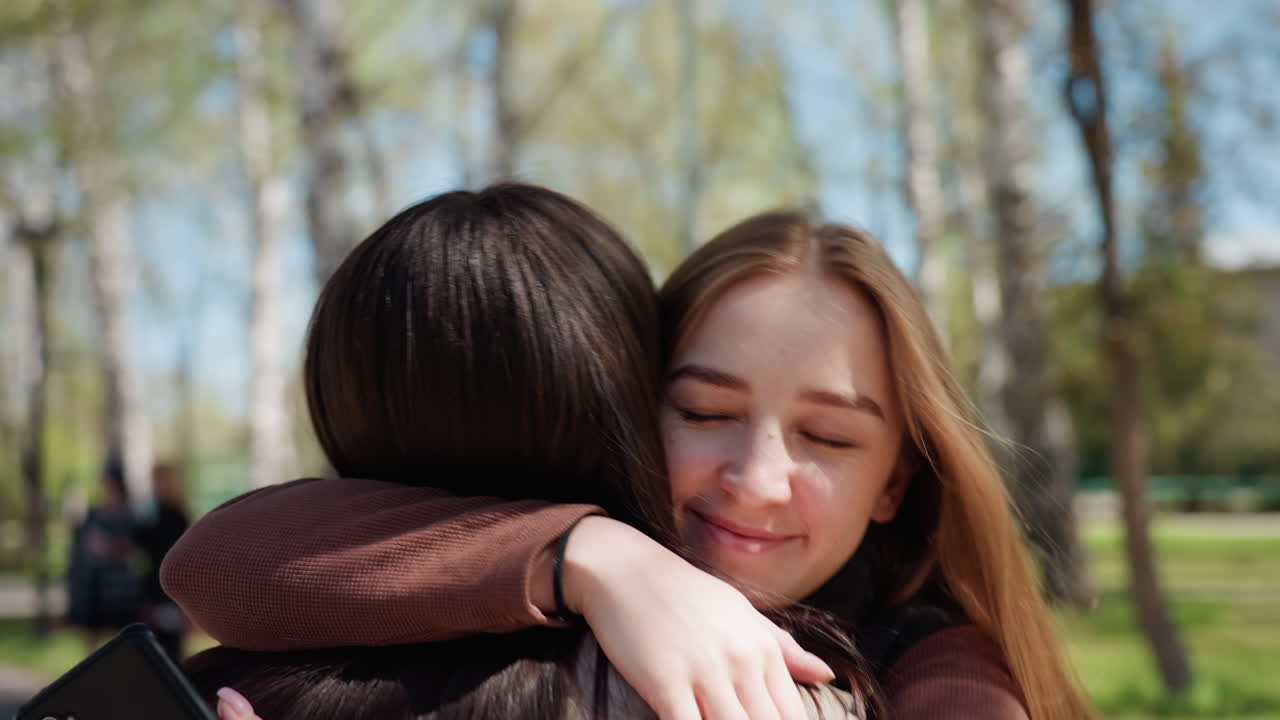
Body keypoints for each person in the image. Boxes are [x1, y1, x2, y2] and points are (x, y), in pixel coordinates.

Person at [165, 209, 1096, 719]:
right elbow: (215, 563)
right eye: (703, 411)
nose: (756, 476)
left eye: (831, 437)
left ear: (897, 480)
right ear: (627, 401)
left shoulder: (932, 666)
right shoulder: (548, 588)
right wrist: (598, 556)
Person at [67, 458, 140, 653]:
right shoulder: (94, 513)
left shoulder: (129, 513)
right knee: (91, 633)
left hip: (118, 586)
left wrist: (110, 547)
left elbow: (134, 545)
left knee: (121, 635)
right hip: (95, 583)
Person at [134, 463, 192, 660]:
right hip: (161, 584)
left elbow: (144, 543)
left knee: (165, 644)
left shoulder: (170, 516)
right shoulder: (169, 513)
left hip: (164, 586)